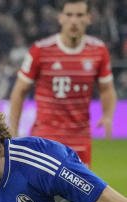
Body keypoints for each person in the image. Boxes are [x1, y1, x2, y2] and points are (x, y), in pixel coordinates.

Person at [8, 0, 116, 167]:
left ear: (89, 18)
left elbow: (107, 89)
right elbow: (19, 91)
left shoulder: (98, 51)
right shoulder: (41, 50)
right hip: (46, 138)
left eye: (79, 15)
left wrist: (108, 116)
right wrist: (13, 130)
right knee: (44, 192)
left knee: (79, 193)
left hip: (80, 139)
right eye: (69, 15)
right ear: (60, 18)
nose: (74, 20)